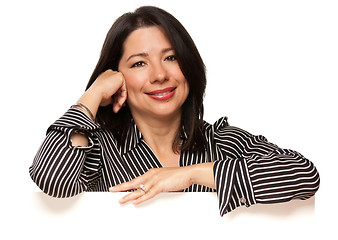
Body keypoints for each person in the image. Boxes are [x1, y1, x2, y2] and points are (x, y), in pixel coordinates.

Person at [29, 6, 320, 216]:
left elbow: (304, 175)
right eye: (138, 63)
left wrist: (190, 174)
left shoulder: (221, 141)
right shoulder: (100, 149)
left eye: (170, 57)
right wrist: (91, 95)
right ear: (117, 77)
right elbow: (53, 181)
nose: (159, 75)